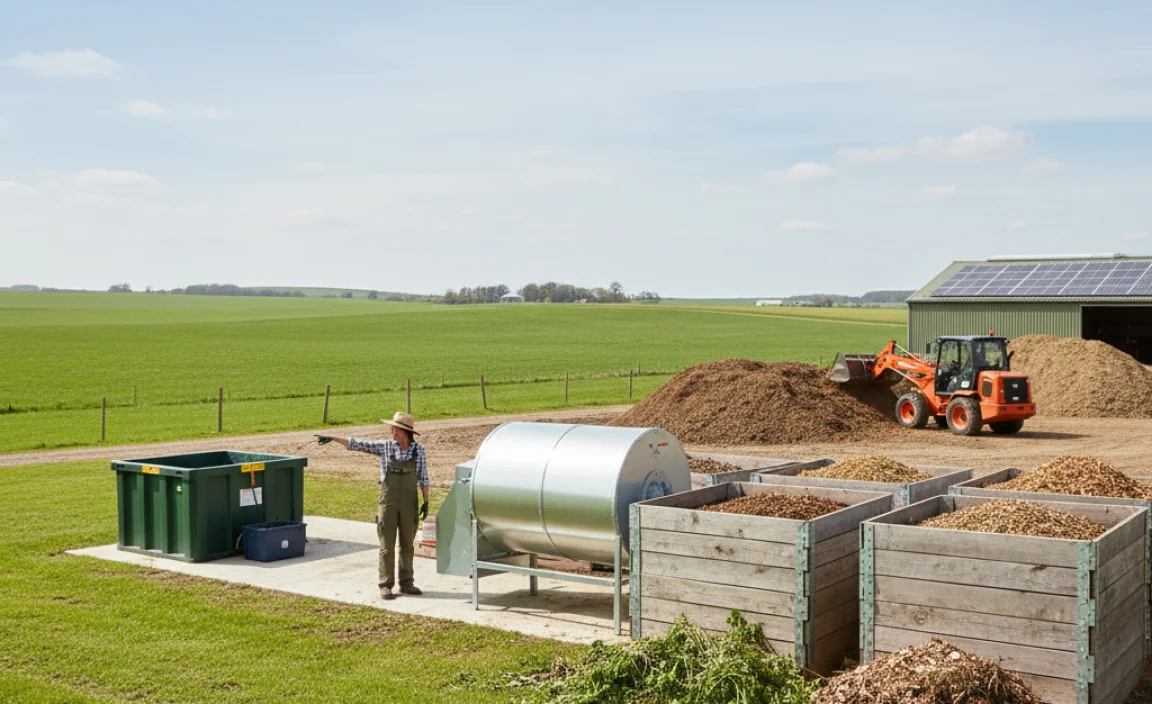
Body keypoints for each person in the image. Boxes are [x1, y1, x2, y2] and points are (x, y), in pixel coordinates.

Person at [316, 412, 429, 600]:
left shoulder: (419, 451)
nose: (391, 431)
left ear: (403, 431)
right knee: (387, 544)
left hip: (409, 502)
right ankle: (386, 585)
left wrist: (426, 500)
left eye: (394, 428)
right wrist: (334, 438)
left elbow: (424, 477)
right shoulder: (385, 447)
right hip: (388, 503)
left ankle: (406, 583)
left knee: (407, 545)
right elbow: (359, 444)